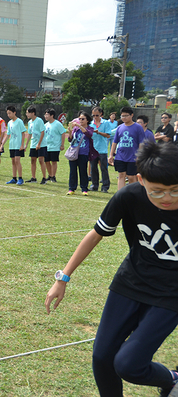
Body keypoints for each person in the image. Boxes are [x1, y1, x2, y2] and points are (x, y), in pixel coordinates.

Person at [45, 142, 178, 397]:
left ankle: (172, 380)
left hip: (171, 294)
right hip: (130, 283)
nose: (168, 198)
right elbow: (95, 235)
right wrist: (62, 278)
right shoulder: (128, 196)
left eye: (175, 190)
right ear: (141, 179)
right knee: (102, 357)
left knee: (129, 364)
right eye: (158, 191)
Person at [109, 107, 146, 191]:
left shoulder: (138, 127)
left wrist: (139, 156)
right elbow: (115, 142)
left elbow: (141, 143)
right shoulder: (119, 127)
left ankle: (132, 194)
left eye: (126, 115)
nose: (124, 118)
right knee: (121, 175)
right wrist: (111, 155)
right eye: (122, 116)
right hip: (120, 156)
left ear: (132, 115)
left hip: (133, 157)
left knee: (131, 176)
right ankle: (120, 194)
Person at [66, 111, 95, 195]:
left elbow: (89, 134)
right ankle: (72, 188)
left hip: (83, 153)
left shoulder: (90, 128)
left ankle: (84, 189)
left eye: (83, 119)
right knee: (72, 171)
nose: (81, 120)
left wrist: (79, 125)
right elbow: (70, 140)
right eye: (79, 119)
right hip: (74, 152)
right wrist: (70, 133)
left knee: (83, 171)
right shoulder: (76, 129)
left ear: (87, 120)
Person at [0, 106, 26, 185]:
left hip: (18, 145)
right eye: (7, 113)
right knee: (13, 161)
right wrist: (2, 144)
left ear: (14, 112)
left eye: (10, 113)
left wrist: (22, 145)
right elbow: (8, 135)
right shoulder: (9, 122)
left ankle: (20, 178)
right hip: (12, 145)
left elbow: (23, 133)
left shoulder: (19, 121)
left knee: (17, 161)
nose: (8, 115)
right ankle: (14, 178)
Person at [90, 106, 112, 193]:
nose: (95, 117)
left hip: (102, 149)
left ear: (101, 114)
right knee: (93, 168)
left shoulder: (106, 123)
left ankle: (105, 186)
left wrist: (98, 132)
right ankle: (94, 185)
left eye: (97, 115)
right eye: (93, 115)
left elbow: (108, 135)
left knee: (104, 168)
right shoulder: (91, 124)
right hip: (93, 149)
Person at [25, 106, 47, 184]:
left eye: (28, 113)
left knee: (41, 160)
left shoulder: (39, 120)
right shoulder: (29, 122)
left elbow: (42, 132)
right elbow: (29, 134)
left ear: (33, 113)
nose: (26, 114)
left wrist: (39, 144)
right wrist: (26, 145)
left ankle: (44, 178)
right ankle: (33, 178)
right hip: (33, 144)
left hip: (41, 144)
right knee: (33, 160)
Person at [44, 108, 66, 183]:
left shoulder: (57, 124)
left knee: (54, 161)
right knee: (46, 161)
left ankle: (53, 176)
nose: (45, 116)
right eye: (45, 114)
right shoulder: (46, 125)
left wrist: (62, 144)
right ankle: (50, 175)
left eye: (47, 114)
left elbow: (63, 133)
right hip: (47, 146)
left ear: (52, 115)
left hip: (55, 146)